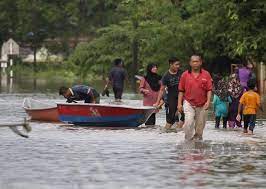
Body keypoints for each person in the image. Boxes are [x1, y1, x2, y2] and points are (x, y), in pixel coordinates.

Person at [178, 55, 212, 140]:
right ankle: (187, 141)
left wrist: (208, 101)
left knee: (199, 128)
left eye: (197, 61)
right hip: (188, 102)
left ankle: (198, 147)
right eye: (193, 61)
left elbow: (209, 90)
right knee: (188, 122)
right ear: (190, 63)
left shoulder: (206, 74)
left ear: (200, 63)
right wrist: (179, 104)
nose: (195, 63)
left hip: (202, 104)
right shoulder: (185, 75)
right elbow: (181, 91)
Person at [154, 57, 184, 130]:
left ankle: (179, 130)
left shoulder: (182, 73)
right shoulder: (166, 76)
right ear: (171, 64)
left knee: (185, 114)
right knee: (170, 119)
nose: (178, 66)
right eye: (176, 64)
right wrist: (157, 102)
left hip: (183, 96)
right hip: (172, 97)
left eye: (179, 64)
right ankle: (166, 134)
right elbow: (161, 90)